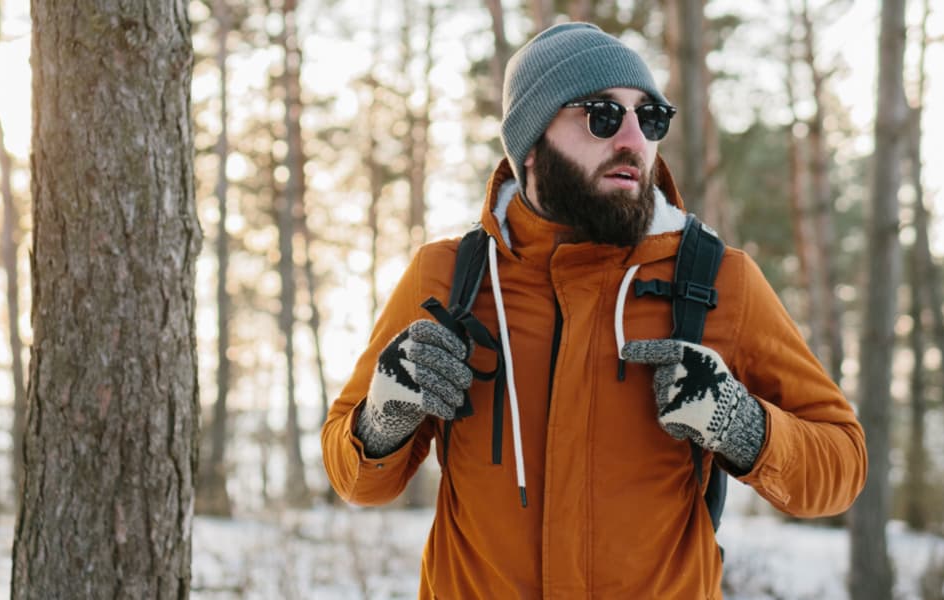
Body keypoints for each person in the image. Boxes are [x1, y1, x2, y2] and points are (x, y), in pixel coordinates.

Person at [321, 21, 867, 598]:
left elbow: (842, 466)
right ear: (531, 144)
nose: (633, 138)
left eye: (650, 117)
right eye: (602, 115)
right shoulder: (451, 276)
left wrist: (744, 426)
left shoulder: (717, 281)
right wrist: (381, 423)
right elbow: (356, 481)